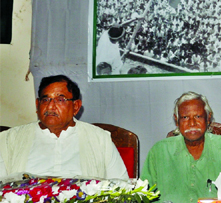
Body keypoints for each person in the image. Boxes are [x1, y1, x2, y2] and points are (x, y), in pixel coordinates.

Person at [0, 75, 128, 179]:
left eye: (60, 100)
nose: (50, 107)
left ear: (76, 106)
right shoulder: (9, 139)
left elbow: (120, 186)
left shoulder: (100, 139)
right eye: (45, 100)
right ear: (37, 105)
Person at [141, 92, 221, 203]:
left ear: (208, 118)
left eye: (198, 116)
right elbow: (143, 197)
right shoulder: (159, 151)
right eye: (185, 117)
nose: (192, 123)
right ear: (177, 120)